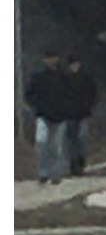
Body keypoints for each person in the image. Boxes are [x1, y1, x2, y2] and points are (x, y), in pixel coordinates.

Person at [23, 50, 71, 185]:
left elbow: (71, 95)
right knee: (41, 142)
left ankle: (55, 174)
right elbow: (29, 93)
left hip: (60, 116)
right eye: (48, 58)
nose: (50, 61)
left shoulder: (64, 77)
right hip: (43, 116)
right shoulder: (38, 77)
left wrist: (67, 108)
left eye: (53, 57)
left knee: (56, 146)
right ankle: (43, 172)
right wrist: (37, 106)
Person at [62, 55, 99, 176]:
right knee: (72, 140)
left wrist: (89, 105)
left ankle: (81, 161)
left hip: (83, 113)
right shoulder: (65, 79)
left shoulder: (86, 79)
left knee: (82, 137)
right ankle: (74, 164)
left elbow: (93, 93)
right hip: (70, 114)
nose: (74, 67)